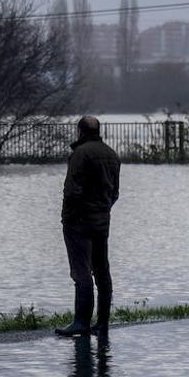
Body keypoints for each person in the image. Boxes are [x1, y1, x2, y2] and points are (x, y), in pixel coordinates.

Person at [55, 115, 121, 337]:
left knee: (81, 271)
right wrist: (103, 209)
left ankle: (81, 322)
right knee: (102, 271)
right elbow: (115, 192)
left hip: (79, 222)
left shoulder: (79, 154)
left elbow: (72, 190)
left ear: (80, 131)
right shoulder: (112, 155)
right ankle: (102, 323)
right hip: (102, 221)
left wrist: (68, 217)